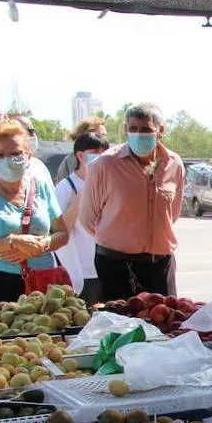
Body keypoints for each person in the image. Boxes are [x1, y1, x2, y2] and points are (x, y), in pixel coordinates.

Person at [0, 120, 70, 311]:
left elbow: (62, 234)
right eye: (0, 155)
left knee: (47, 337)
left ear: (28, 154)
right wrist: (12, 241)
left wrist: (42, 244)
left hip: (43, 284)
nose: (8, 160)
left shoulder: (41, 186)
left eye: (15, 153)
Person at [79, 102, 185, 299]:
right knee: (121, 326)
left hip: (160, 265)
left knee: (165, 326)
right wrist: (123, 240)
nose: (139, 134)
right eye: (133, 129)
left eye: (146, 129)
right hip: (116, 266)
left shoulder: (174, 164)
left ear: (160, 130)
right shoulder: (105, 165)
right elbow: (87, 219)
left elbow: (173, 213)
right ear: (126, 130)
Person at [53, 131, 110, 302]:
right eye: (95, 153)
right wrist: (80, 198)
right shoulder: (66, 188)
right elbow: (61, 230)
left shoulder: (109, 182)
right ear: (80, 155)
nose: (101, 158)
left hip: (108, 267)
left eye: (104, 153)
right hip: (82, 272)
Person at [56, 116, 109, 182]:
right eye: (100, 135)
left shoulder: (110, 157)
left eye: (105, 135)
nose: (103, 139)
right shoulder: (69, 161)